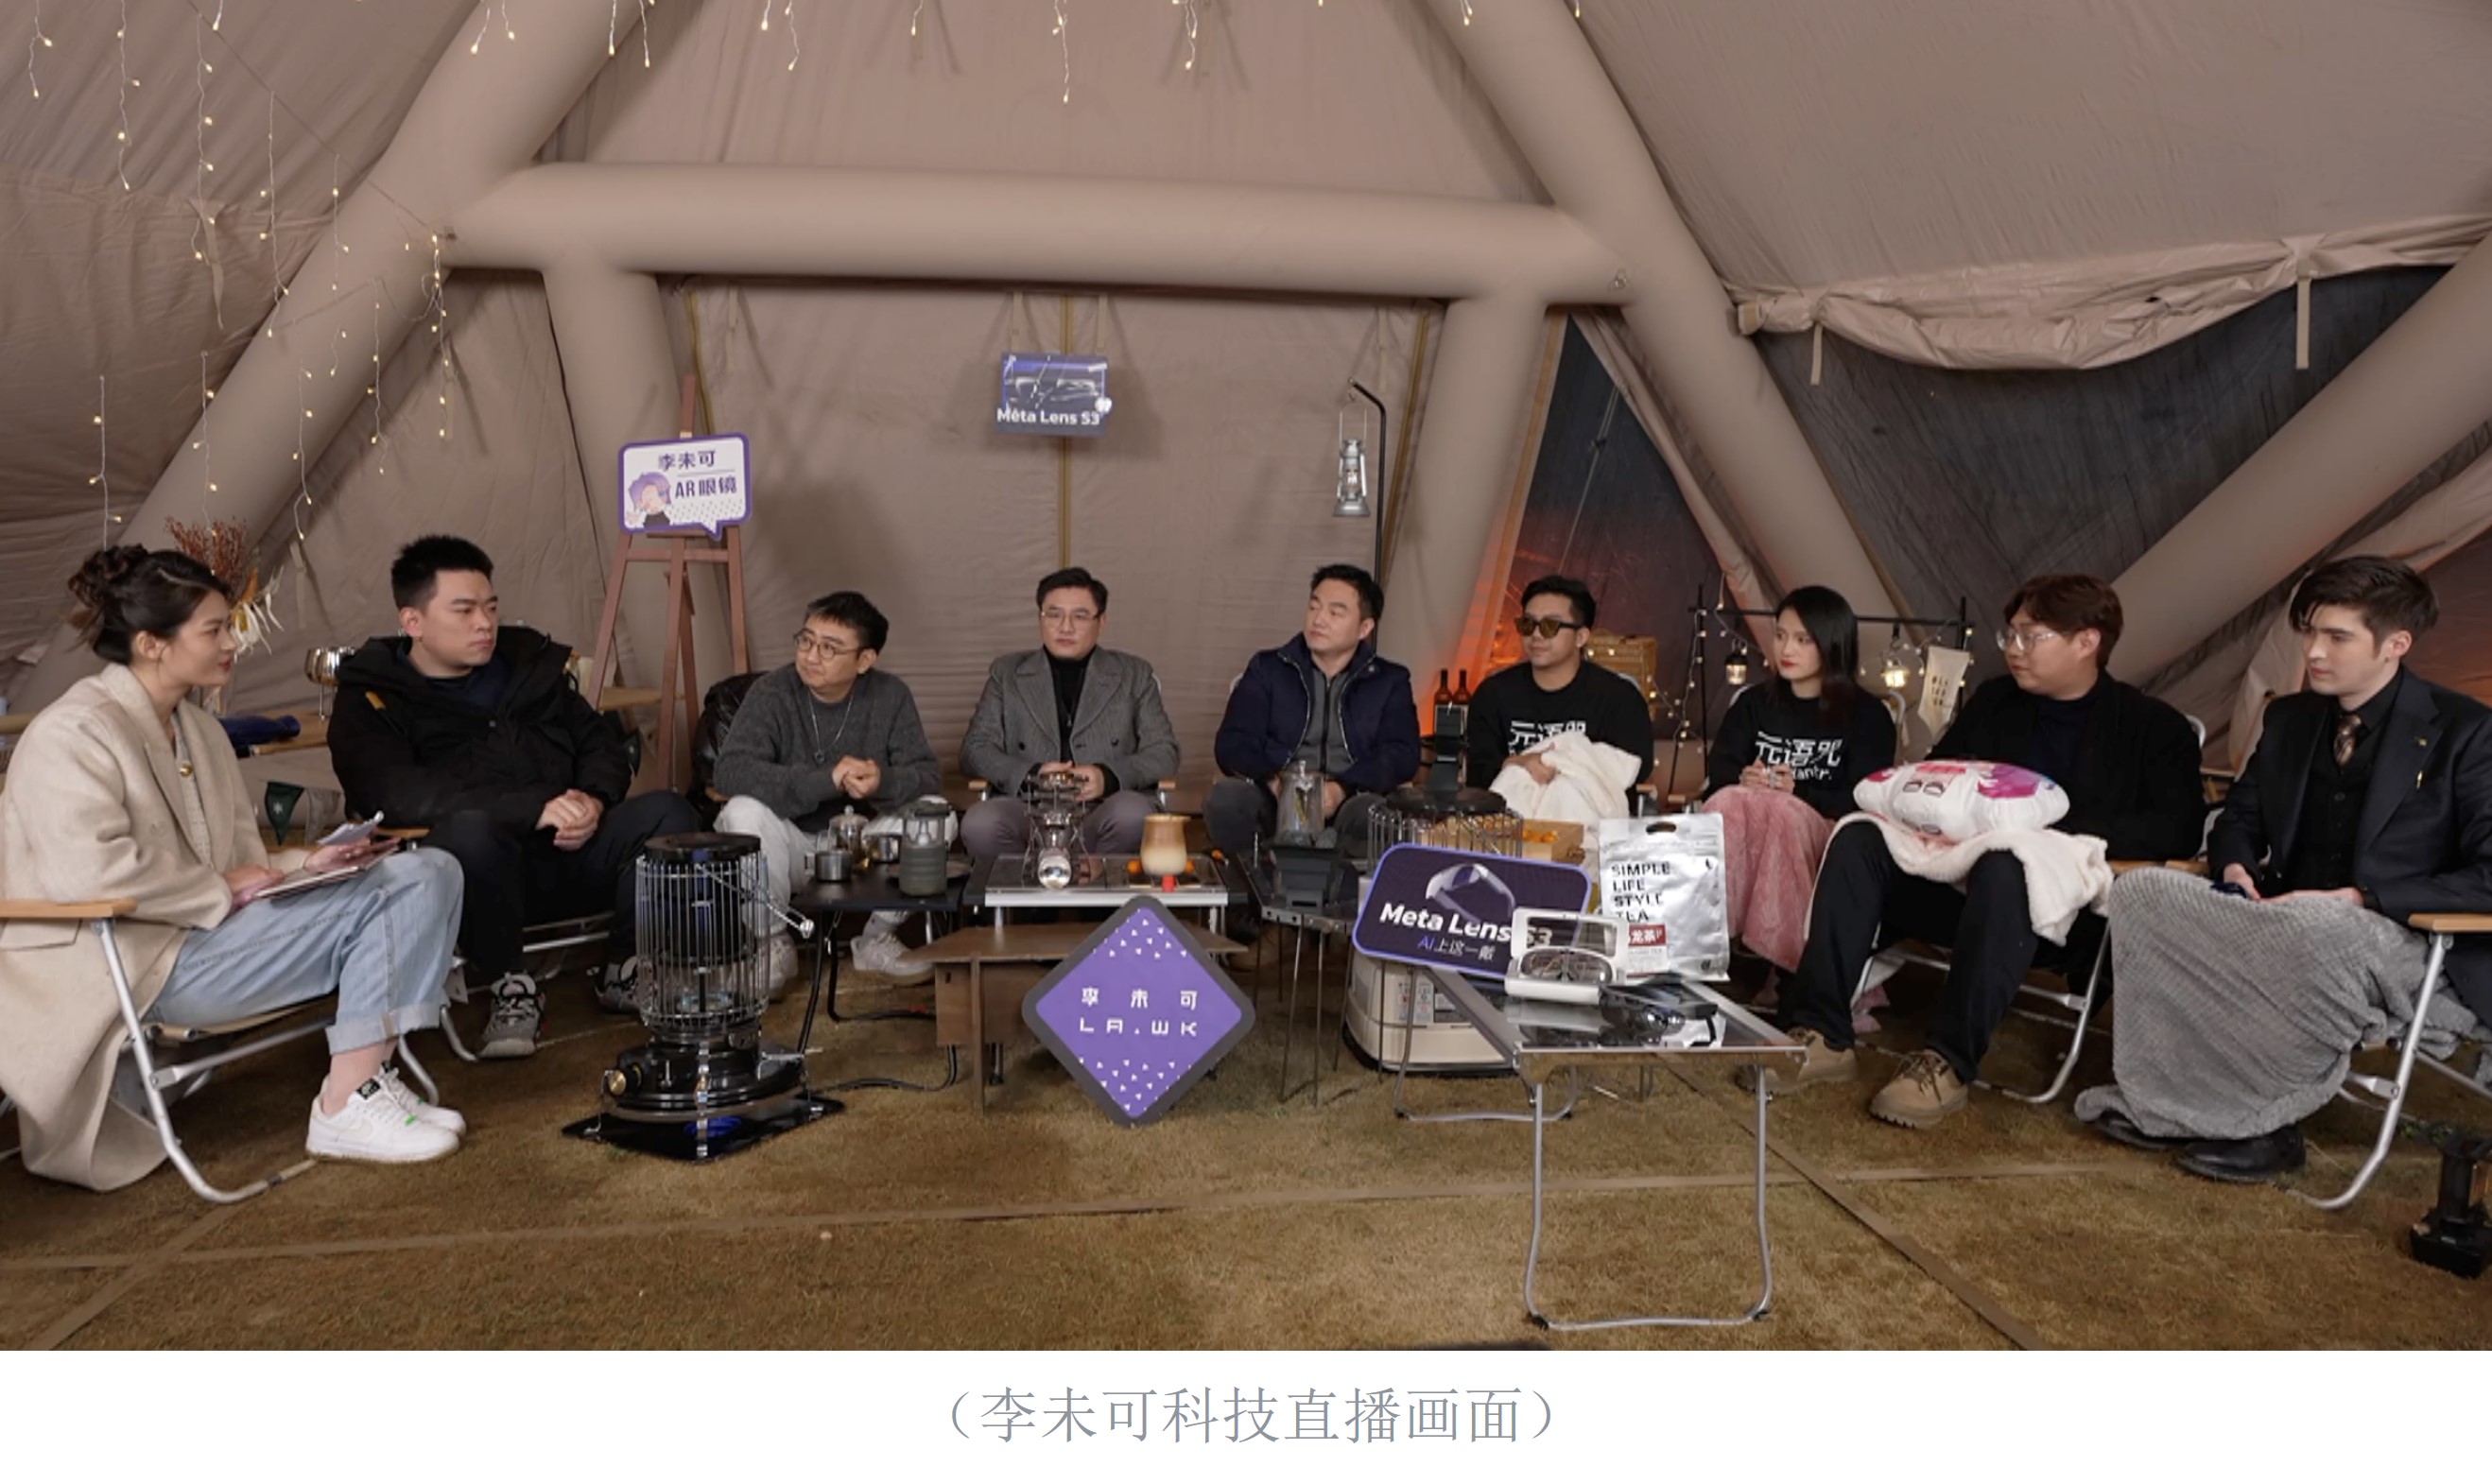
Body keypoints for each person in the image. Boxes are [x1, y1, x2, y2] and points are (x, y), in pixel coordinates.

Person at [0, 548, 469, 1185]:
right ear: (152, 644)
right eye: (214, 630)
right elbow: (87, 876)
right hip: (137, 967)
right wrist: (221, 886)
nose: (232, 644)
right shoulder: (71, 734)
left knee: (432, 870)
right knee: (404, 889)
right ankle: (345, 1105)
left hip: (210, 939)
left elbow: (241, 866)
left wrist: (312, 861)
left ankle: (363, 1082)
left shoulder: (199, 731)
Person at [2076, 558, 2492, 1182]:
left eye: (2337, 637)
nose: (2314, 652)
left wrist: (2361, 898)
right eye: (2310, 632)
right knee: (2140, 892)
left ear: (2396, 644)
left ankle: (2267, 1126)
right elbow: (2240, 817)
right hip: (2282, 912)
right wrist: (2236, 868)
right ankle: (2169, 1103)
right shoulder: (2292, 719)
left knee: (2318, 927)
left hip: (2404, 937)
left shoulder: (2468, 732)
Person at [1756, 574, 2205, 1127]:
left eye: (2031, 637)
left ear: (2087, 641)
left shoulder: (2152, 728)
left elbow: (2177, 829)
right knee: (1858, 836)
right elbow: (1936, 776)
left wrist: (2039, 829)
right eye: (2009, 635)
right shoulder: (1994, 702)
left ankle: (1947, 1062)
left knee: (2008, 860)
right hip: (1952, 889)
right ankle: (1822, 1032)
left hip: (2060, 915)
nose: (2014, 648)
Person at [327, 535, 700, 1060]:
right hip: (478, 879)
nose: (484, 623)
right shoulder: (373, 697)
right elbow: (391, 792)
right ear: (413, 622)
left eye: (491, 607)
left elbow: (600, 743)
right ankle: (511, 985)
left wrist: (593, 800)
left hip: (571, 852)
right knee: (469, 832)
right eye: (464, 610)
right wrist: (531, 810)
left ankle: (626, 966)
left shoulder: (529, 667)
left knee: (670, 812)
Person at [714, 592, 945, 986]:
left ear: (864, 660)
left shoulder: (890, 695)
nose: (810, 656)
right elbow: (730, 771)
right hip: (788, 843)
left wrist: (883, 780)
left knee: (936, 812)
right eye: (806, 641)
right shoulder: (772, 692)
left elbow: (927, 774)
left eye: (829, 648)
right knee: (741, 811)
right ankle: (772, 944)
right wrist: (825, 780)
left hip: (862, 847)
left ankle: (875, 939)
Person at [1700, 585, 1896, 972]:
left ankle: (1792, 964)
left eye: (1803, 640)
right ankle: (1704, 943)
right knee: (1725, 802)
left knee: (1784, 812)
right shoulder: (1754, 704)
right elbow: (1719, 770)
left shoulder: (1867, 715)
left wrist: (1799, 791)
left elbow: (1865, 797)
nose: (1786, 649)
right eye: (1780, 635)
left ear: (1832, 644)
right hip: (1752, 825)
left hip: (1825, 834)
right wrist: (1744, 778)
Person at [959, 567, 1180, 866]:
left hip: (1104, 809)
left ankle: (1101, 893)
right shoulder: (1006, 673)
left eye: (1080, 616)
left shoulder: (1134, 675)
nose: (1065, 627)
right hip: (1030, 810)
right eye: (1054, 615)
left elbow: (1164, 752)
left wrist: (1107, 776)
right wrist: (1033, 774)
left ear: (1101, 621)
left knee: (1131, 815)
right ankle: (1023, 894)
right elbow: (975, 750)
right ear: (1040, 618)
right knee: (980, 823)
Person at [1208, 564, 1421, 867]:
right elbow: (1232, 742)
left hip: (1349, 798)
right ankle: (1260, 881)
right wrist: (1275, 781)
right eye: (1314, 607)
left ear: (1364, 628)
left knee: (1373, 814)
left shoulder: (1389, 681)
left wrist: (1342, 788)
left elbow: (1402, 753)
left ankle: (1336, 885)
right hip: (1275, 793)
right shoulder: (1268, 669)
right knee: (1227, 800)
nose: (1319, 620)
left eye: (1335, 613)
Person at [1462, 575, 1653, 807]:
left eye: (1550, 626)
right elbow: (1479, 773)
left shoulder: (1620, 698)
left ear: (1580, 637)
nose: (1536, 635)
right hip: (1512, 823)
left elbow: (1635, 768)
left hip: (1593, 822)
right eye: (1527, 624)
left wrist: (1564, 767)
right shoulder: (1493, 694)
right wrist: (1518, 763)